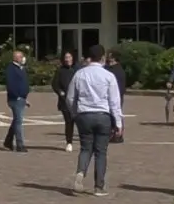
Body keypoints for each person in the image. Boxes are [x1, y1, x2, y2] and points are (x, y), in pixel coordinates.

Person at [66, 44, 123, 196]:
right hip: (103, 115)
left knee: (85, 148)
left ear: (88, 58)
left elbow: (70, 97)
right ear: (103, 57)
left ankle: (80, 172)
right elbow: (114, 102)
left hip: (84, 114)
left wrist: (74, 113)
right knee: (101, 152)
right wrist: (118, 122)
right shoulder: (108, 76)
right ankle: (99, 186)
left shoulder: (79, 74)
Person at [3, 50, 29, 153]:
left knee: (16, 121)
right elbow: (11, 84)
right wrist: (17, 96)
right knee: (19, 122)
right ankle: (20, 144)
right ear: (16, 58)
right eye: (21, 56)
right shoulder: (11, 69)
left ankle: (8, 141)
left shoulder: (20, 68)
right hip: (15, 99)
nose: (23, 58)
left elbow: (22, 84)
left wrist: (24, 98)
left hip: (21, 98)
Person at [51, 52, 77, 152]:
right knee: (69, 122)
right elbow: (54, 84)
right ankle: (69, 142)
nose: (68, 59)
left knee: (81, 121)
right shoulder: (60, 71)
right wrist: (60, 92)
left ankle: (85, 141)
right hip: (65, 101)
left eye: (69, 57)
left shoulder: (77, 70)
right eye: (66, 57)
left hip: (77, 100)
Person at [105, 51, 128, 144]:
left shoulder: (116, 70)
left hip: (116, 95)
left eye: (110, 57)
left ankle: (118, 134)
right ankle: (114, 133)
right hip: (116, 95)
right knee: (114, 114)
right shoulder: (113, 69)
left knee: (116, 114)